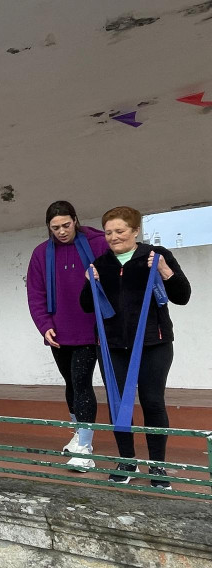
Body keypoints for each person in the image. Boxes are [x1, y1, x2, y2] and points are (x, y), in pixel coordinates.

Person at [80, 206, 191, 489]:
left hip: (154, 343)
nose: (113, 237)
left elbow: (182, 296)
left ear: (135, 231)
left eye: (120, 231)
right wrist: (88, 284)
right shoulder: (101, 263)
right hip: (113, 346)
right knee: (119, 406)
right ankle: (126, 460)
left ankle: (158, 465)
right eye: (108, 232)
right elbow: (86, 305)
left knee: (153, 402)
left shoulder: (156, 255)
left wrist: (165, 271)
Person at [26, 201, 108, 470]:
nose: (61, 232)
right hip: (58, 331)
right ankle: (79, 433)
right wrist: (43, 324)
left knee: (82, 382)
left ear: (75, 220)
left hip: (89, 327)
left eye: (66, 225)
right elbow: (35, 294)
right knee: (71, 383)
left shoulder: (97, 244)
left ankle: (85, 449)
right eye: (55, 227)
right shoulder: (41, 254)